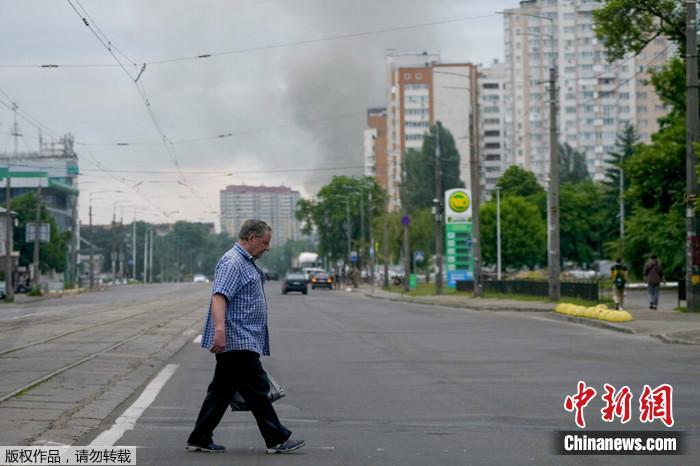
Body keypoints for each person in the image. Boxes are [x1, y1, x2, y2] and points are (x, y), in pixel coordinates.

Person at [186, 219, 305, 455]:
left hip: (243, 337)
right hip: (237, 338)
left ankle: (200, 436)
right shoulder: (233, 262)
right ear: (251, 238)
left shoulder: (244, 261)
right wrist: (220, 332)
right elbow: (219, 297)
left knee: (221, 391)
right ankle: (276, 438)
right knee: (257, 390)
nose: (267, 247)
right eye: (265, 242)